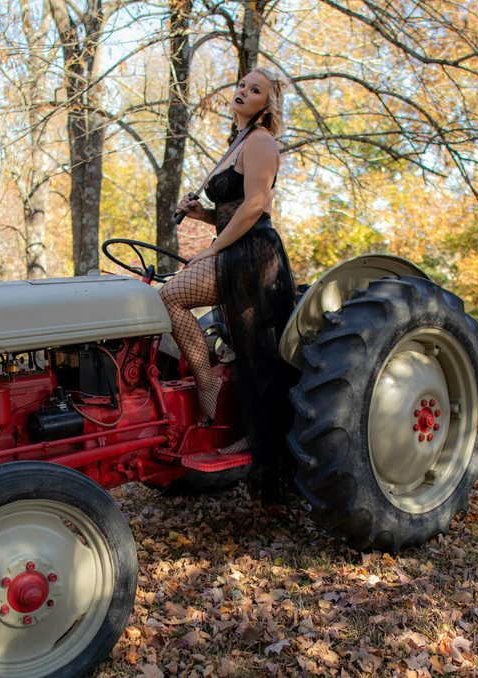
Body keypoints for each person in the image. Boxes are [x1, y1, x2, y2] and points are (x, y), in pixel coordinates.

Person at [159, 66, 298, 502]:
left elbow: (255, 205)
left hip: (253, 252)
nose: (243, 91)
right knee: (248, 348)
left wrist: (213, 247)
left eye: (254, 90)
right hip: (235, 246)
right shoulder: (238, 142)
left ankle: (208, 381)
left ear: (266, 105)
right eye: (241, 84)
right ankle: (236, 418)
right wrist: (200, 214)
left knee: (171, 295)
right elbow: (230, 208)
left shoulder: (261, 141)